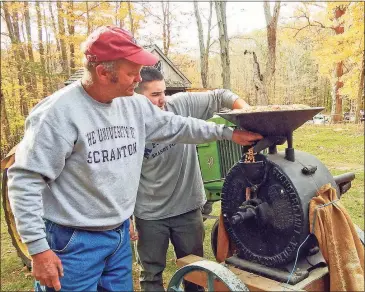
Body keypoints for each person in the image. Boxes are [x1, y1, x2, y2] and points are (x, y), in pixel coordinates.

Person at [7, 26, 262, 291]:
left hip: (118, 238)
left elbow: (177, 126)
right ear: (104, 72)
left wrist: (228, 134)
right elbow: (25, 179)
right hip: (73, 240)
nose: (138, 78)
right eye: (131, 72)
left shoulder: (133, 105)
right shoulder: (58, 113)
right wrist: (38, 249)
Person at [134, 67, 250, 292]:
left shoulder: (180, 105)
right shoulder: (130, 123)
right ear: (137, 96)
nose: (162, 100)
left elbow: (220, 95)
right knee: (151, 275)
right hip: (149, 214)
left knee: (195, 272)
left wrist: (246, 111)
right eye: (155, 95)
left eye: (163, 93)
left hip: (187, 209)